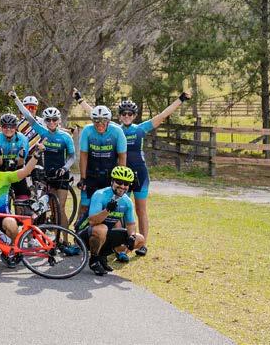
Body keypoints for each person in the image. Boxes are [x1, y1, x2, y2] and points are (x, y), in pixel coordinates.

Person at [117, 91, 190, 257]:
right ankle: (124, 244)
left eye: (130, 113)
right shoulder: (115, 130)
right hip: (122, 176)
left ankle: (142, 244)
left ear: (134, 115)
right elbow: (96, 114)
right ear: (120, 116)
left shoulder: (140, 129)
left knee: (140, 210)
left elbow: (163, 115)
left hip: (140, 174)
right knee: (122, 210)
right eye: (124, 113)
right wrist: (79, 100)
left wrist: (180, 99)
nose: (127, 116)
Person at [10, 90, 77, 236]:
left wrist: (65, 168)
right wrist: (16, 99)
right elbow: (28, 116)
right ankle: (52, 238)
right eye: (48, 120)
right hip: (48, 174)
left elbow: (72, 156)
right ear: (44, 121)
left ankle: (65, 240)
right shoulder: (42, 131)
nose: (51, 122)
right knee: (51, 208)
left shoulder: (65, 137)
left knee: (61, 209)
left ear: (59, 120)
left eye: (54, 120)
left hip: (62, 175)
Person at [73, 88, 127, 229]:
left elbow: (122, 156)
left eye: (103, 121)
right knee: (85, 205)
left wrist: (121, 179)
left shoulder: (117, 132)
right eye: (96, 121)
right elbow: (83, 155)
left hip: (110, 175)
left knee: (112, 207)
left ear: (108, 121)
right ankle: (78, 234)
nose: (99, 124)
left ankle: (114, 235)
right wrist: (83, 178)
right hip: (92, 174)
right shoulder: (88, 131)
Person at [79, 165, 145, 275]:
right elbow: (92, 221)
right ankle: (94, 260)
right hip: (85, 234)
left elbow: (130, 224)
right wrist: (107, 210)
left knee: (140, 239)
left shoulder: (127, 201)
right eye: (119, 182)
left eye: (126, 184)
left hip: (106, 234)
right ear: (112, 181)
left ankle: (102, 256)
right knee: (102, 228)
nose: (122, 186)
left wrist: (132, 236)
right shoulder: (100, 195)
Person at [0, 113, 31, 203]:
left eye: (11, 126)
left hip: (17, 167)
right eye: (5, 126)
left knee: (22, 198)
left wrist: (21, 156)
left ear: (16, 127)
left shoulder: (23, 139)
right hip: (0, 167)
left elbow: (20, 163)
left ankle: (20, 206)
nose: (8, 129)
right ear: (1, 127)